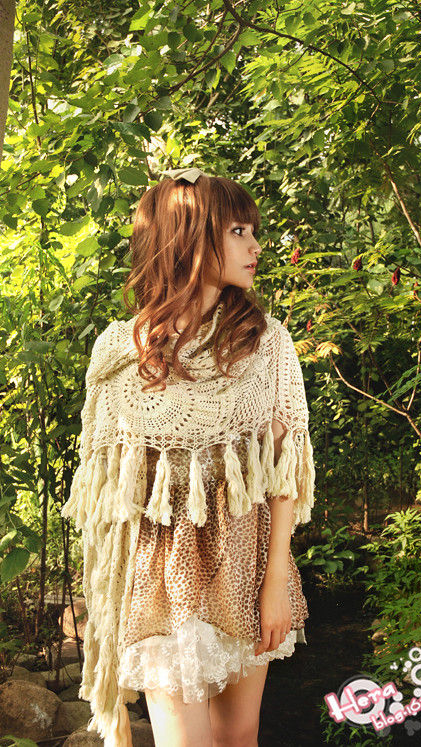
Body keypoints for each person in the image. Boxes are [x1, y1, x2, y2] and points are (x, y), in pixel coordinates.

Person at [61, 167, 316, 747]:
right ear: (189, 238)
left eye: (253, 232)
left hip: (245, 558)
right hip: (159, 575)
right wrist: (106, 597)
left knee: (238, 738)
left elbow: (284, 473)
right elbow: (108, 497)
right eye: (238, 232)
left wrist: (276, 579)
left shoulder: (266, 343)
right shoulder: (119, 351)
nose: (256, 246)